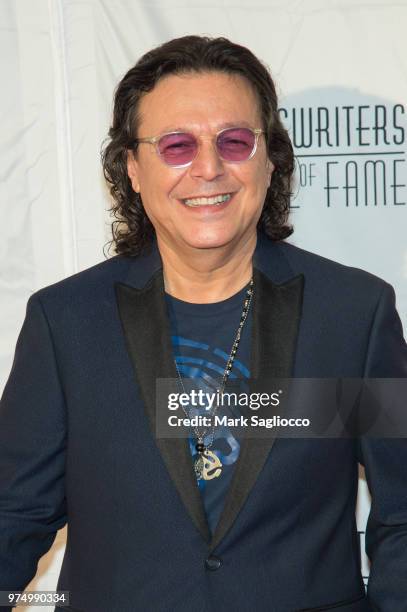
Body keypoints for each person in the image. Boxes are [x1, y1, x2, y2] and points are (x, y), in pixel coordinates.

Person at [0, 35, 406, 612]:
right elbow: (13, 515)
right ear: (133, 169)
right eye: (176, 146)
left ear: (270, 161)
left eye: (235, 141)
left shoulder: (352, 316)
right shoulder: (65, 323)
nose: (209, 168)